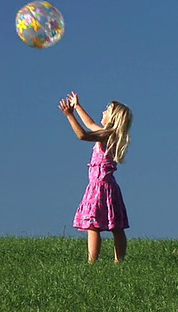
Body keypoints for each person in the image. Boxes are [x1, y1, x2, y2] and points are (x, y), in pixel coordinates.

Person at [58, 91, 133, 264]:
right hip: (107, 186)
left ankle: (92, 261)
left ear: (113, 118)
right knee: (116, 226)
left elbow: (82, 135)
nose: (103, 113)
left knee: (93, 225)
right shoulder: (109, 135)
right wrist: (77, 106)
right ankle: (118, 261)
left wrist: (69, 115)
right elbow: (90, 123)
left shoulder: (107, 136)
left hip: (100, 186)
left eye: (107, 111)